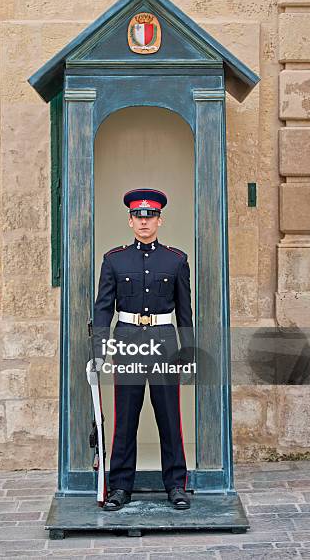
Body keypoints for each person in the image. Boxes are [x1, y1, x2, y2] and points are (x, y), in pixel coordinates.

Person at [89, 188, 195, 511]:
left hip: (164, 343)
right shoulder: (114, 261)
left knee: (169, 417)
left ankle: (176, 485)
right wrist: (99, 351)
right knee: (125, 418)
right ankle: (120, 487)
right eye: (139, 216)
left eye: (150, 217)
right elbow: (103, 310)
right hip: (127, 343)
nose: (144, 222)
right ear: (130, 220)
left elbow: (185, 312)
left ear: (160, 220)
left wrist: (188, 351)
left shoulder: (176, 261)